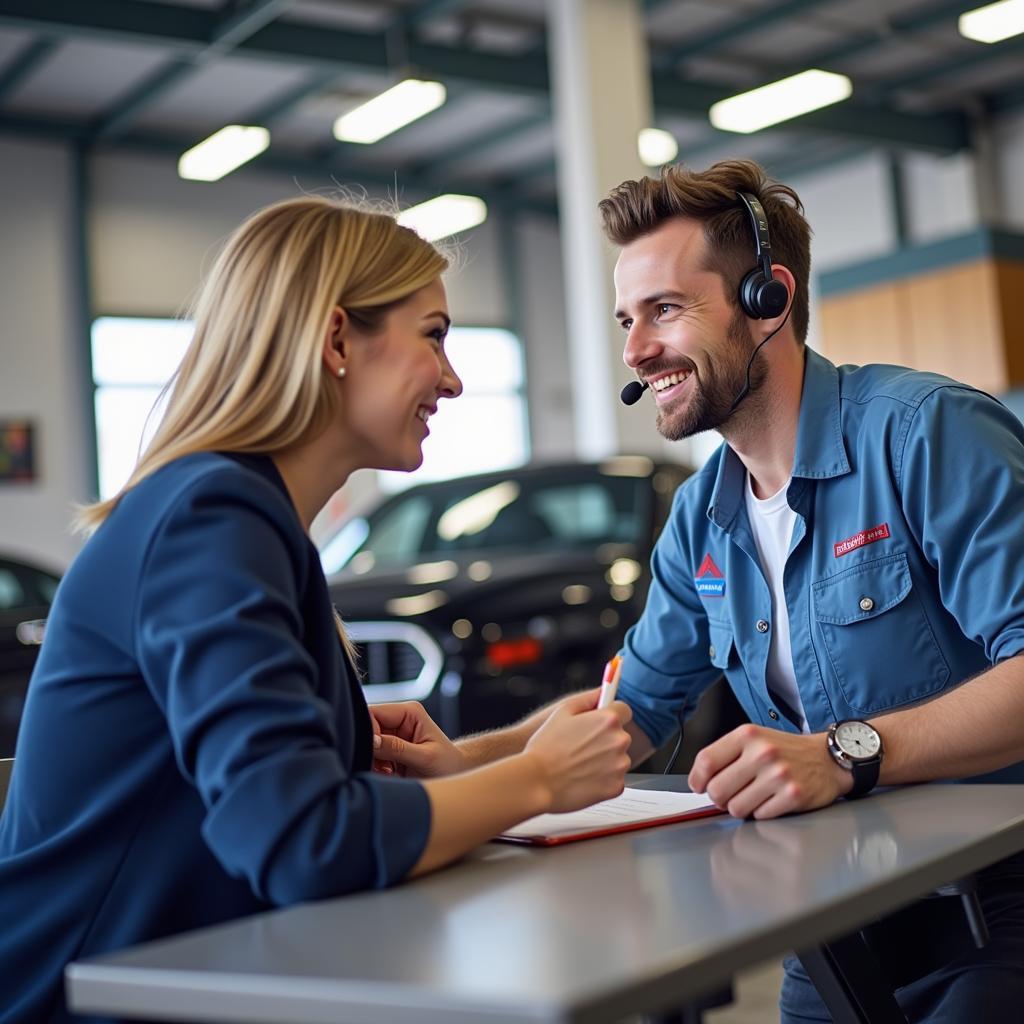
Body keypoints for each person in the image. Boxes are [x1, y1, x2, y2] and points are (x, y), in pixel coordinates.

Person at [376, 158, 1024, 1022]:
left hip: (995, 910)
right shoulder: (700, 517)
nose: (637, 350)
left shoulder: (926, 434)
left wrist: (842, 752)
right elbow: (630, 711)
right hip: (836, 918)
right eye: (625, 319)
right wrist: (472, 764)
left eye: (666, 310)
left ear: (769, 298)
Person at [0, 196, 633, 1024]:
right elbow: (302, 840)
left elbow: (276, 800)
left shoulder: (237, 513)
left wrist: (477, 753)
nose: (453, 378)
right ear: (336, 340)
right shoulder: (211, 517)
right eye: (434, 335)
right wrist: (539, 780)